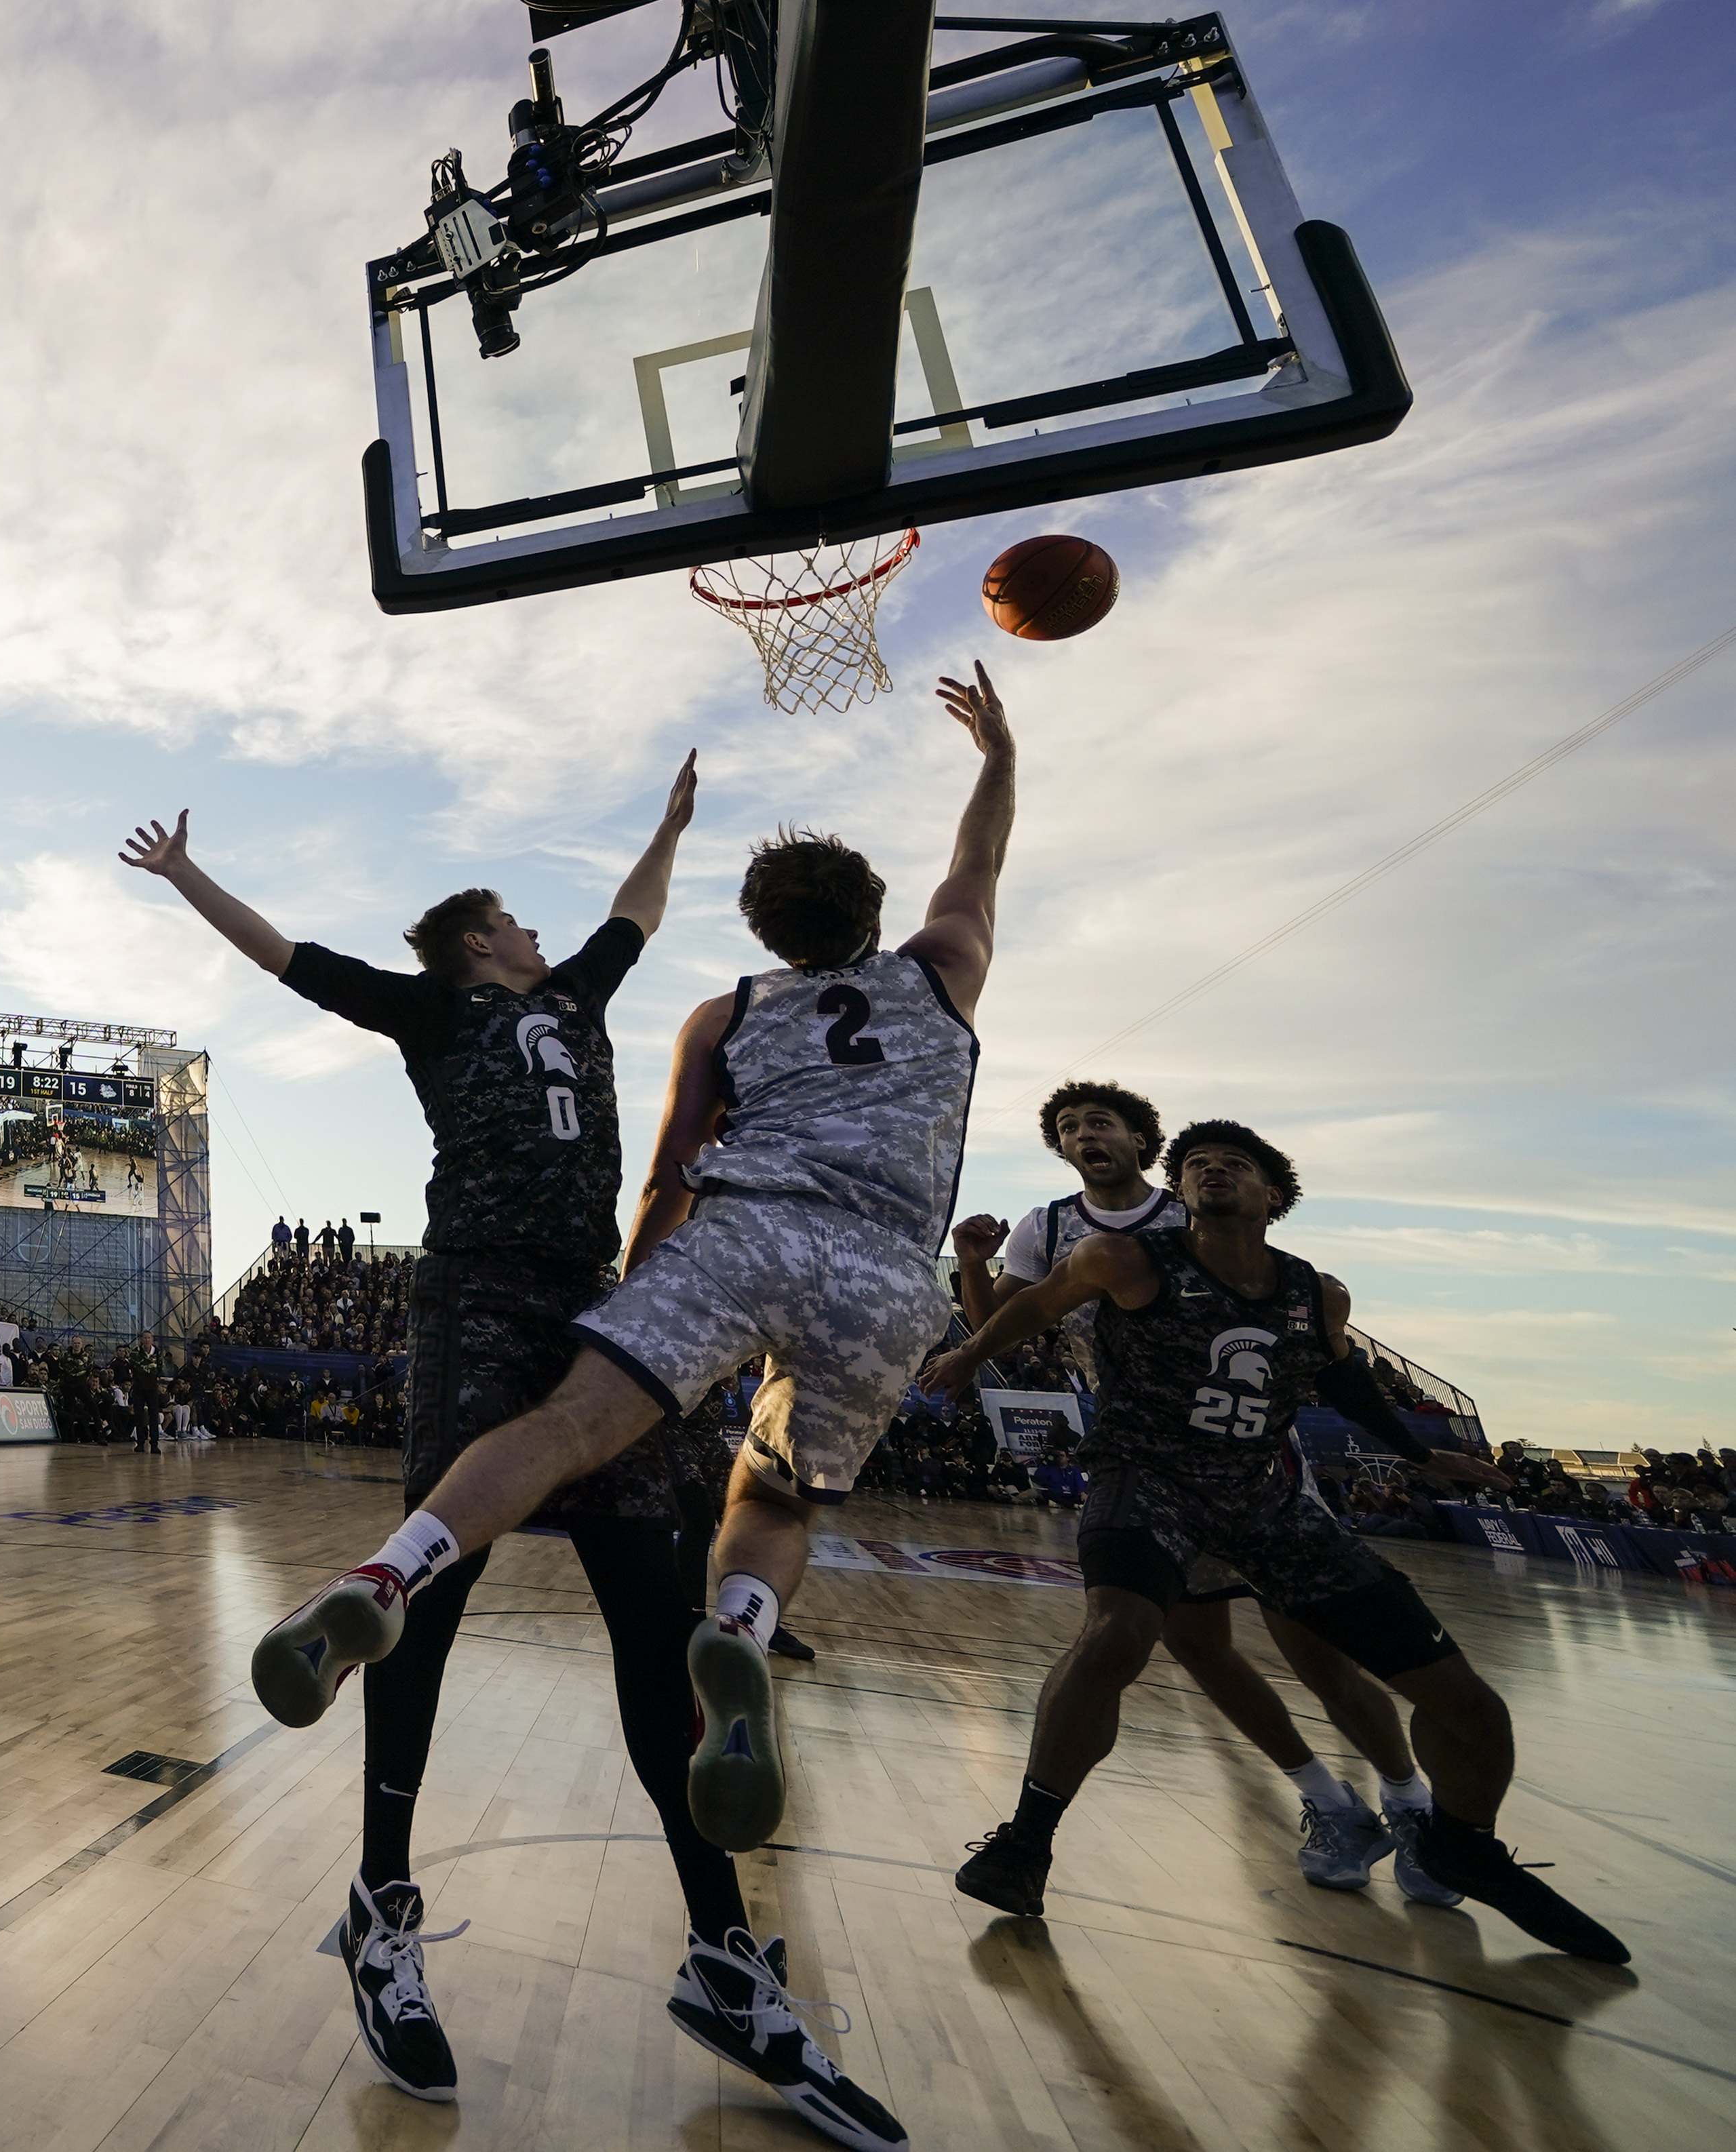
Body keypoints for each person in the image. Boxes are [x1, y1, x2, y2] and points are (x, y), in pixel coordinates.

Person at [122, 753, 884, 2140]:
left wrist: (665, 827)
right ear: (479, 934)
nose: (540, 933)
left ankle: (721, 1953)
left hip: (593, 1303)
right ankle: (378, 1904)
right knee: (418, 1601)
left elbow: (629, 915)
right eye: (516, 922)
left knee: (656, 1625)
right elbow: (292, 959)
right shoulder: (428, 1006)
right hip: (473, 1287)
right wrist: (183, 877)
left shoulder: (575, 993)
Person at [928, 1122, 1623, 1962]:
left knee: (1469, 1705)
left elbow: (1339, 1376)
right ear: (1176, 1189)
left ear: (1273, 1194)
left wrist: (1415, 1453)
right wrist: (967, 1355)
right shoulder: (1124, 1258)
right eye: (1194, 1166)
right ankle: (1024, 1840)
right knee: (1118, 1634)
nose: (1210, 1170)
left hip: (1263, 1494)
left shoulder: (1316, 1292)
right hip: (1145, 1478)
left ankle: (1456, 1837)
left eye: (1234, 1163)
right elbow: (1030, 1310)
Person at [957, 1081, 1453, 1901]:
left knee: (1315, 1653)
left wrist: (1406, 1444)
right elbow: (1007, 1322)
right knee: (1194, 1645)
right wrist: (972, 1276)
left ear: (1140, 1138)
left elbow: (1290, 1314)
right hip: (1150, 1456)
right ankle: (1330, 1801)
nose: (1085, 1134)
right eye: (1070, 1126)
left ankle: (1409, 1801)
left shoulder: (1188, 1209)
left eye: (1100, 1121)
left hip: (1250, 1453)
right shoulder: (1046, 1226)